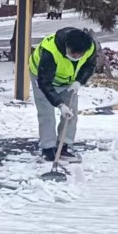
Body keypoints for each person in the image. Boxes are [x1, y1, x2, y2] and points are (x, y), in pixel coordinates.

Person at [28, 27, 98, 163]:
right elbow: (45, 83)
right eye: (74, 53)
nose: (77, 57)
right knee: (46, 113)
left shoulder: (89, 47)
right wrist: (59, 104)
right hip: (42, 77)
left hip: (69, 81)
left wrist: (79, 81)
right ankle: (47, 149)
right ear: (67, 45)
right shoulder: (50, 51)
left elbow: (90, 65)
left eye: (80, 54)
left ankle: (64, 146)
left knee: (71, 113)